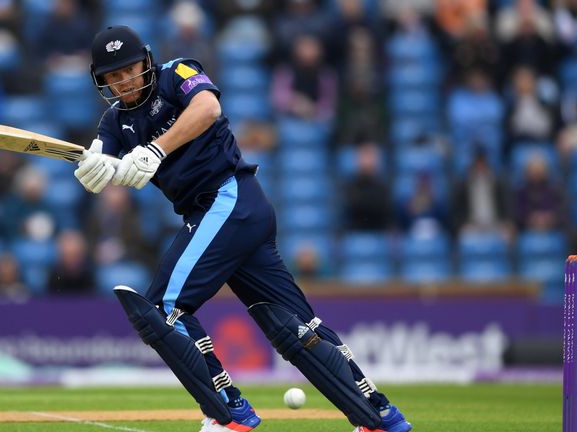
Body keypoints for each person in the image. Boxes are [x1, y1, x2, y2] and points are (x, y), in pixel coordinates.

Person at [72, 25, 412, 432]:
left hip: (228, 199)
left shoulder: (175, 73)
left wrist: (157, 149)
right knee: (291, 325)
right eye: (112, 76)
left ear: (145, 60)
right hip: (228, 215)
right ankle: (379, 417)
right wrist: (94, 166)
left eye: (128, 69)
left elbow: (208, 109)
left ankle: (230, 412)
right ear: (102, 81)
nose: (123, 81)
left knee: (163, 309)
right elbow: (104, 161)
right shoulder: (115, 121)